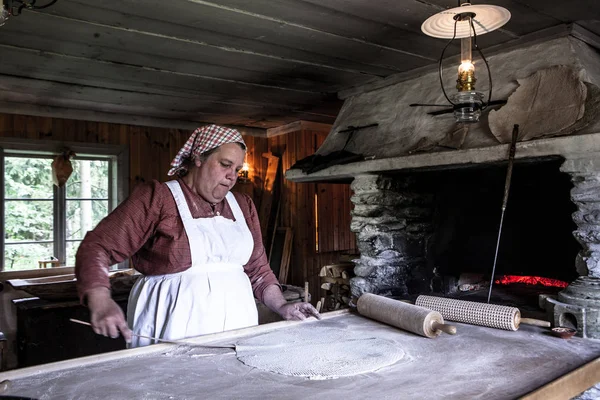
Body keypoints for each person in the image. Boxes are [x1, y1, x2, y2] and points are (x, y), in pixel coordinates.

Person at [75, 124, 320, 347]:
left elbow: (258, 269)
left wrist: (282, 306)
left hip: (239, 324)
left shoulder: (242, 205)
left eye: (237, 169)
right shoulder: (159, 198)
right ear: (198, 158)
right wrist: (100, 299)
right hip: (172, 326)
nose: (232, 176)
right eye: (225, 165)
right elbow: (97, 246)